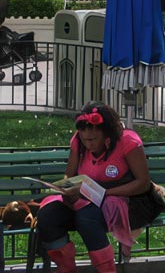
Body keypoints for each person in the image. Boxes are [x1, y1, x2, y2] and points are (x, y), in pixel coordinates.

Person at [37, 102, 153, 273]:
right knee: (48, 215)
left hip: (122, 199)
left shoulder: (128, 142)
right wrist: (67, 190)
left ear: (107, 133)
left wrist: (106, 193)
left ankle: (107, 270)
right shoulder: (78, 141)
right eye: (84, 139)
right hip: (84, 198)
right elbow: (69, 177)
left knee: (87, 217)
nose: (88, 143)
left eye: (92, 139)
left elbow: (143, 183)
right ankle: (66, 268)